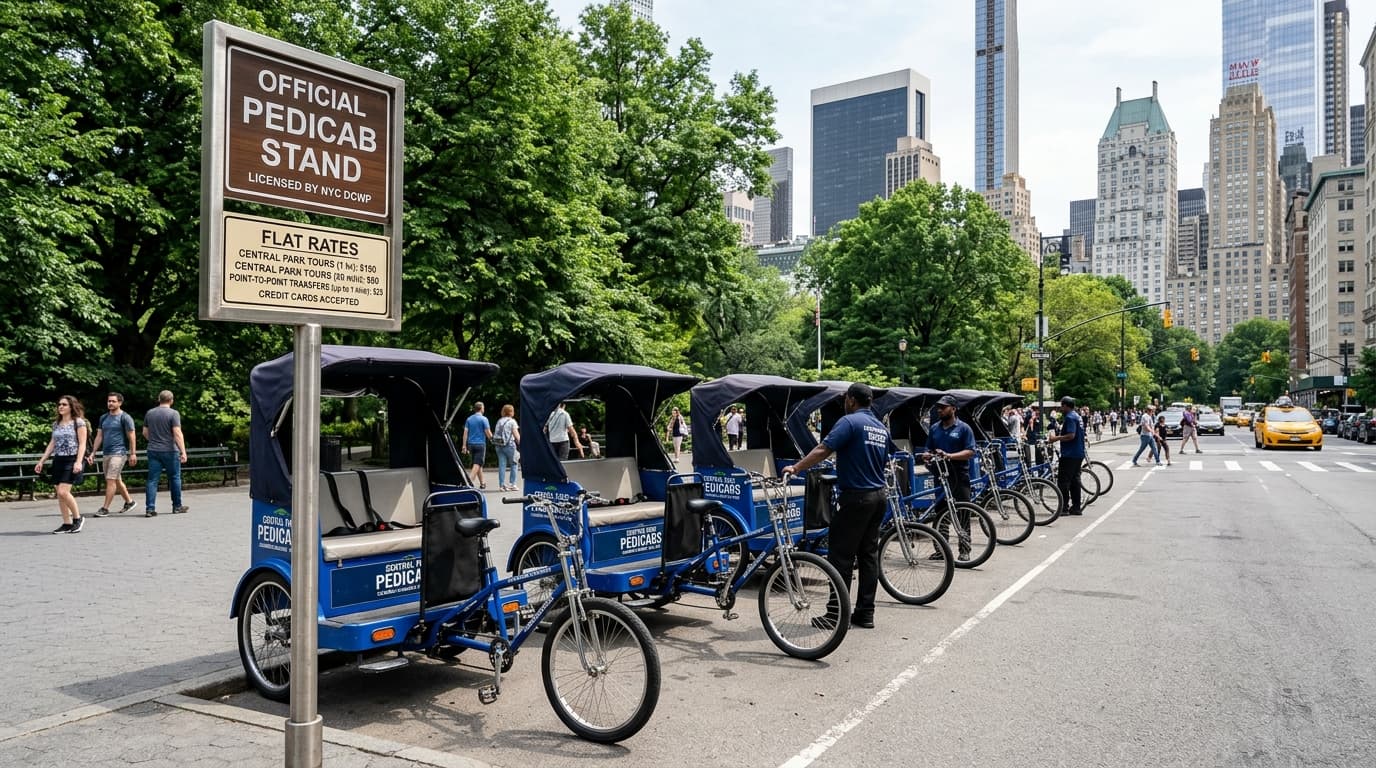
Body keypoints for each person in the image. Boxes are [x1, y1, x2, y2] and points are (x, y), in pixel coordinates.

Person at [781, 382, 888, 629]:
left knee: (840, 556)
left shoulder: (849, 422)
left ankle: (835, 615)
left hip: (857, 497)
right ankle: (865, 613)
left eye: (845, 399)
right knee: (868, 556)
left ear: (851, 399)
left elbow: (823, 449)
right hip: (878, 496)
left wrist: (796, 467)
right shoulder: (880, 428)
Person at [923, 394, 977, 561]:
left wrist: (949, 456)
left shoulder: (964, 428)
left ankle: (965, 550)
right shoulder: (934, 429)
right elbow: (928, 449)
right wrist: (927, 455)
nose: (939, 410)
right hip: (940, 475)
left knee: (962, 514)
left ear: (953, 409)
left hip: (959, 476)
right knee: (940, 514)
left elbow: (970, 451)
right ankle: (941, 550)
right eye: (938, 407)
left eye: (943, 407)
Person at [34, 395, 91, 533]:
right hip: (58, 459)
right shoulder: (56, 424)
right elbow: (52, 444)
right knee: (59, 494)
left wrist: (78, 461)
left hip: (72, 459)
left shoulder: (79, 422)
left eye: (64, 404)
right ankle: (67, 523)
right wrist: (42, 460)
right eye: (59, 404)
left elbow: (82, 444)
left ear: (71, 407)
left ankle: (78, 518)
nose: (60, 406)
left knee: (63, 491)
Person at [143, 390, 188, 517]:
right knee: (174, 478)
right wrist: (183, 451)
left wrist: (153, 441)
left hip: (153, 450)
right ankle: (177, 506)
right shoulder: (173, 414)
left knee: (152, 480)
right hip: (170, 450)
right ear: (171, 400)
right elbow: (177, 433)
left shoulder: (150, 413)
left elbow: (145, 432)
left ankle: (150, 508)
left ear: (159, 399)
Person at [92, 392, 138, 517]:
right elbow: (99, 436)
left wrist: (133, 453)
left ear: (120, 403)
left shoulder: (125, 417)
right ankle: (129, 502)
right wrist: (93, 453)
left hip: (119, 453)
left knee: (110, 480)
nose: (110, 403)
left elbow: (132, 436)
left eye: (113, 401)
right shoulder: (103, 418)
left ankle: (105, 508)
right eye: (109, 401)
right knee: (116, 479)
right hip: (107, 453)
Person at [1048, 396, 1086, 516]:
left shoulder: (1070, 417)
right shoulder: (1077, 416)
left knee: (1064, 481)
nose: (1060, 408)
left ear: (1065, 406)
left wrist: (1055, 438)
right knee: (1075, 480)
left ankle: (1063, 507)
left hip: (1070, 453)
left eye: (1061, 406)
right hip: (1078, 452)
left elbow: (1071, 435)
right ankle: (1076, 507)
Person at [461, 401, 492, 489]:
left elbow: (465, 433)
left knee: (478, 464)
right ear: (481, 408)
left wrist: (464, 445)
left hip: (471, 445)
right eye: (483, 407)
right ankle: (469, 482)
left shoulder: (469, 419)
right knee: (478, 463)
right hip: (480, 445)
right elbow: (488, 433)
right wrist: (493, 440)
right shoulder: (484, 419)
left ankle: (482, 483)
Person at [492, 404, 521, 492]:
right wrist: (521, 444)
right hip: (509, 446)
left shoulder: (499, 421)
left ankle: (501, 485)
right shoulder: (512, 421)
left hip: (498, 445)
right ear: (511, 412)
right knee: (514, 464)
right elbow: (516, 436)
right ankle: (512, 484)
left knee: (502, 465)